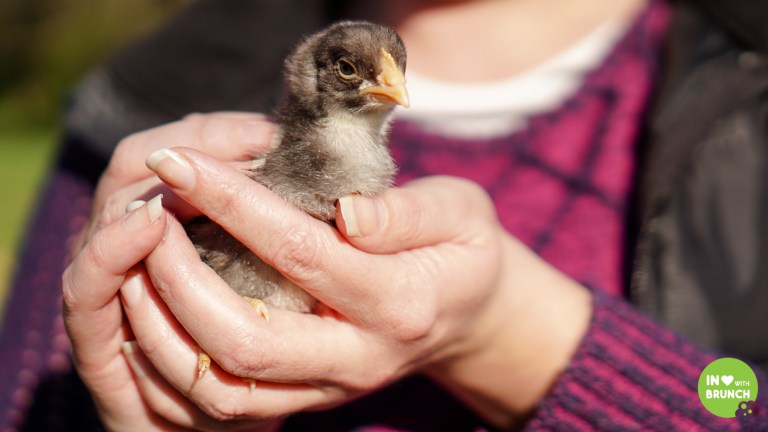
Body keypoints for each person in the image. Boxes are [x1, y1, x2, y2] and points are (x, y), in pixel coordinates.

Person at [1, 0, 767, 430]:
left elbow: (738, 396)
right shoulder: (160, 93)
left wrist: (518, 333)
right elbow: (28, 407)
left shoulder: (746, 83)